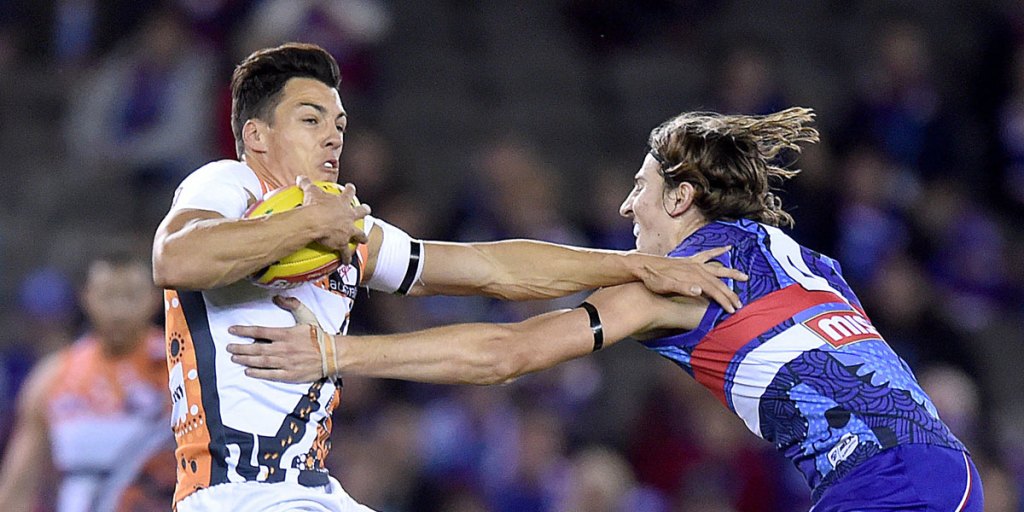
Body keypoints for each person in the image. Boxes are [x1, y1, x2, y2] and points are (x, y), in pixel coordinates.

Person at [231, 107, 985, 511]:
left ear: (682, 197)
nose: (626, 206)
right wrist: (375, 253)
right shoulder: (805, 260)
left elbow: (508, 354)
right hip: (925, 475)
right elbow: (499, 272)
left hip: (895, 486)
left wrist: (336, 354)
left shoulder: (683, 281)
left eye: (640, 187)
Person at [151, 42, 746, 512]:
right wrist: (309, 220)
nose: (333, 135)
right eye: (311, 119)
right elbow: (175, 260)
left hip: (308, 489)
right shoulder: (232, 183)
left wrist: (631, 264)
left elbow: (491, 268)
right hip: (236, 494)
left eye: (340, 123)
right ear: (257, 136)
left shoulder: (342, 231)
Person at [0, 252, 173, 512]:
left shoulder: (177, 369)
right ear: (86, 297)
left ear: (154, 298)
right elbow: (19, 485)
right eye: (108, 296)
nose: (119, 311)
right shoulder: (53, 376)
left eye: (131, 296)